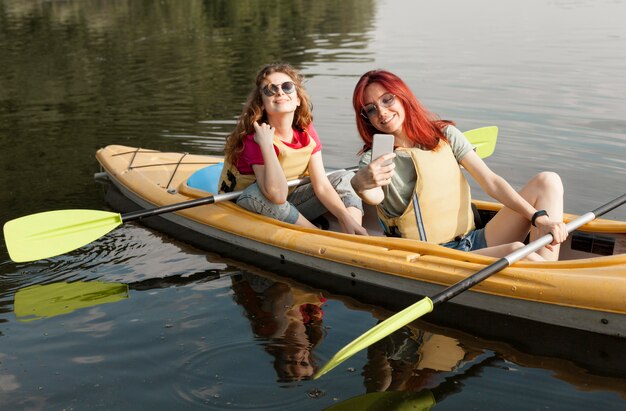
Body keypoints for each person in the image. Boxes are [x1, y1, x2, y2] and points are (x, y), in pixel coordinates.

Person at [350, 70, 567, 261]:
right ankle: (551, 281)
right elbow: (375, 197)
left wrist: (539, 218)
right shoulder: (373, 161)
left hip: (474, 240)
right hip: (437, 256)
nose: (382, 112)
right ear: (367, 118)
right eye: (371, 109)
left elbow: (491, 182)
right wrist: (360, 184)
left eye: (387, 100)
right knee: (518, 250)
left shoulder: (444, 135)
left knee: (548, 181)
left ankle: (547, 267)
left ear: (403, 96)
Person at [219, 63, 366, 235]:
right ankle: (318, 235)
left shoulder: (306, 131)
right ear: (262, 104)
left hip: (287, 201)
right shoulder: (255, 138)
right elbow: (276, 196)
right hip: (251, 203)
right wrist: (266, 145)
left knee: (344, 177)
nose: (280, 92)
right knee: (258, 194)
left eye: (287, 87)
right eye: (269, 90)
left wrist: (344, 217)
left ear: (297, 99)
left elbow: (322, 185)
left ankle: (355, 230)